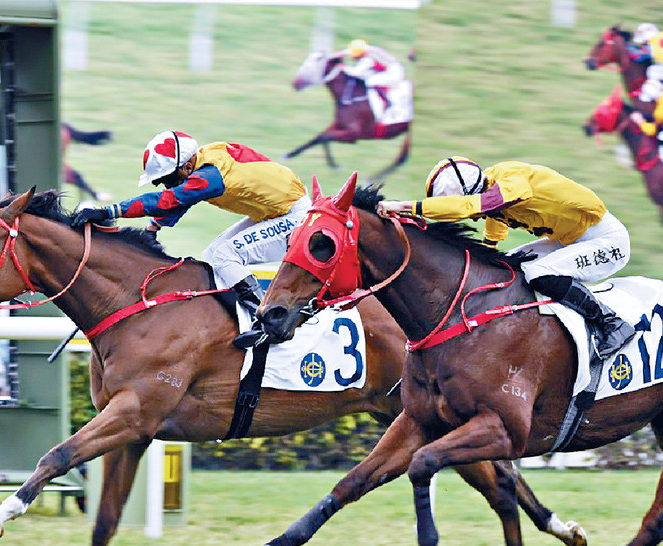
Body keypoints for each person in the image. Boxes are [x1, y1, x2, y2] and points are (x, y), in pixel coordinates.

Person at [376, 157, 635, 359]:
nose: (474, 218)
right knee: (506, 266)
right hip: (568, 239)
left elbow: (477, 206)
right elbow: (494, 222)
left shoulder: (511, 179)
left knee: (539, 273)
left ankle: (611, 323)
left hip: (606, 241)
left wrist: (406, 206)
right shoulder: (491, 188)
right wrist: (488, 254)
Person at [71, 130, 309, 349]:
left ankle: (271, 321)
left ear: (186, 166)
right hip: (274, 212)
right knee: (211, 257)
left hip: (294, 217)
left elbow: (171, 199)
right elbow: (182, 198)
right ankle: (240, 320)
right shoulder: (202, 163)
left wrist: (109, 211)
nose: (165, 185)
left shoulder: (210, 176)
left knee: (225, 255)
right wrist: (153, 228)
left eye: (168, 178)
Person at [337, 39, 410, 125]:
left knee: (370, 81)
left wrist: (344, 68)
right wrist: (339, 54)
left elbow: (356, 72)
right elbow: (351, 51)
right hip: (392, 67)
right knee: (369, 76)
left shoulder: (368, 59)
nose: (353, 57)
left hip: (394, 73)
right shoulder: (365, 48)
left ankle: (386, 101)